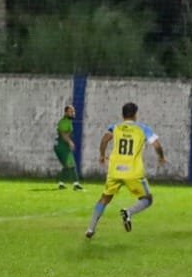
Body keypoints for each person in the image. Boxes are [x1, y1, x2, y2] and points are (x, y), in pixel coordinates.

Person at [86, 102, 166, 239]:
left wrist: (101, 155)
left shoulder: (115, 127)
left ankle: (90, 229)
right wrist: (161, 157)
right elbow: (156, 144)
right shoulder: (143, 129)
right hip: (133, 171)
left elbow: (105, 139)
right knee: (147, 199)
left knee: (104, 198)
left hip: (115, 170)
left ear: (122, 115)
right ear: (135, 114)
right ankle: (128, 212)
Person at [54, 103, 83, 190]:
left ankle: (61, 183)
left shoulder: (68, 121)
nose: (73, 113)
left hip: (64, 145)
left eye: (73, 111)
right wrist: (70, 142)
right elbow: (63, 134)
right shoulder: (63, 122)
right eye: (71, 112)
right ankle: (76, 184)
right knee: (71, 164)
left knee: (67, 166)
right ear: (65, 113)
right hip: (61, 146)